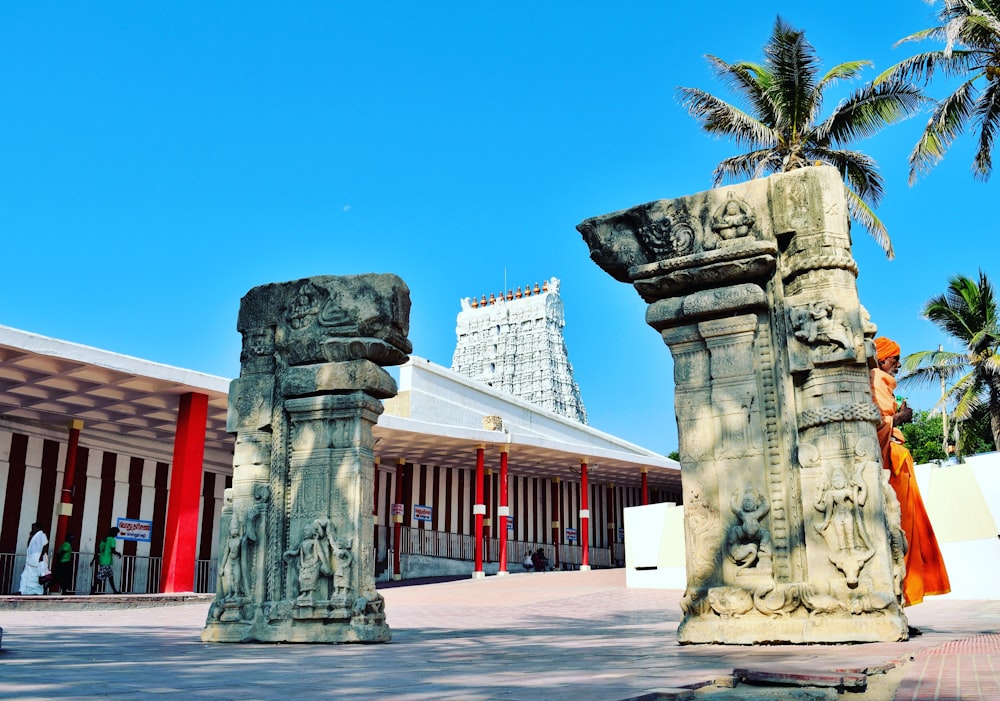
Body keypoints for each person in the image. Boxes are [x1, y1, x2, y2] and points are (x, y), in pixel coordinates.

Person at [871, 337, 951, 606]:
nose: (898, 364)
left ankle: (905, 601)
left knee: (910, 534)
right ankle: (898, 600)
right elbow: (875, 423)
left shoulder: (884, 384)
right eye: (894, 358)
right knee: (900, 533)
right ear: (882, 359)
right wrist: (899, 418)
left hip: (899, 465)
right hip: (891, 466)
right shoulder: (875, 380)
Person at [17, 522, 49, 595]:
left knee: (37, 577)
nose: (32, 529)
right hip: (31, 560)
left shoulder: (42, 534)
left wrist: (41, 556)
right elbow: (28, 545)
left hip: (38, 559)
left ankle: (37, 592)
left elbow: (45, 545)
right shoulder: (34, 536)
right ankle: (23, 590)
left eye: (34, 528)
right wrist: (30, 536)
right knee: (25, 575)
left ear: (38, 528)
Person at [91, 527, 122, 594]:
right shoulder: (112, 540)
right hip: (106, 561)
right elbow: (113, 550)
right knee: (100, 577)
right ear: (114, 533)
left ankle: (114, 591)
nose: (116, 535)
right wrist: (118, 553)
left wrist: (93, 560)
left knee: (110, 576)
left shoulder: (104, 539)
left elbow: (98, 550)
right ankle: (92, 590)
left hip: (102, 560)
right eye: (116, 533)